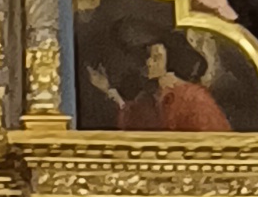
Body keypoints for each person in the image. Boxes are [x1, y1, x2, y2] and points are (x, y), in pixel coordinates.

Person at [87, 34, 231, 134]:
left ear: (172, 60)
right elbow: (132, 121)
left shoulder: (195, 99)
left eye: (156, 58)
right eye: (148, 57)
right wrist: (108, 90)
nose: (149, 63)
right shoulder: (150, 98)